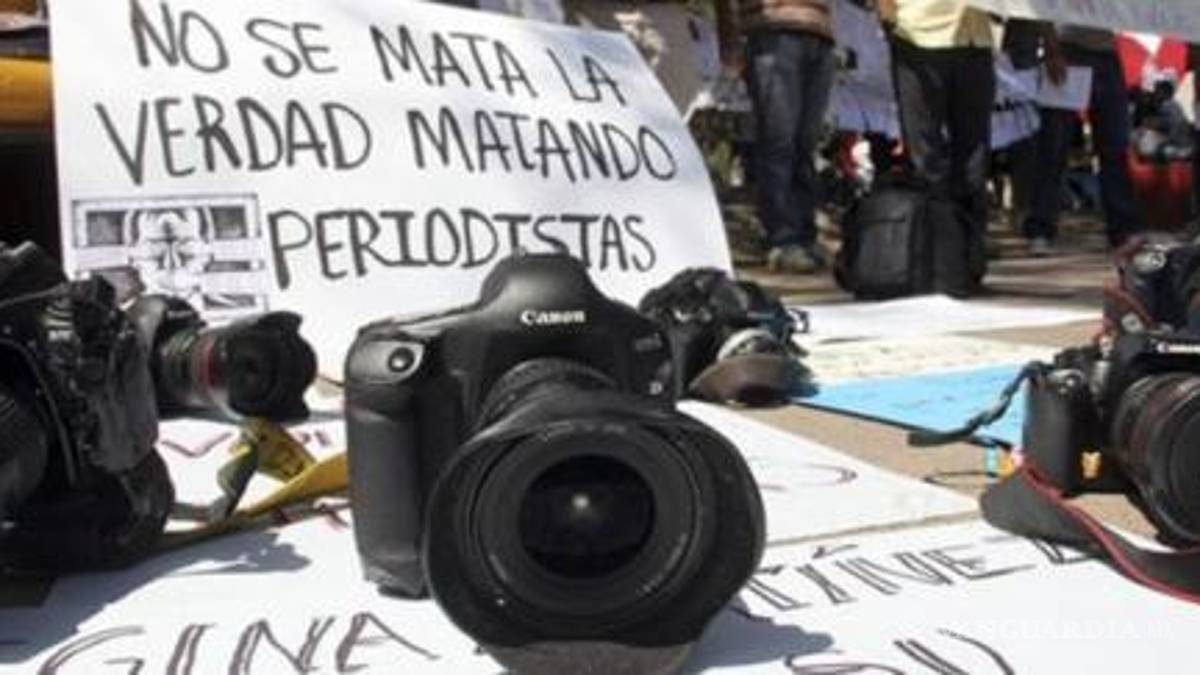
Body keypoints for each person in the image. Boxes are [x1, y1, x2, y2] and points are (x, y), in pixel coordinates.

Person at [878, 0, 994, 293]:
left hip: (974, 38)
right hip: (918, 33)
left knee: (974, 156)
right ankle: (933, 261)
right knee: (925, 156)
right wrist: (889, 15)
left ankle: (967, 261)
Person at [714, 0, 835, 274]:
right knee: (778, 141)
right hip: (772, 33)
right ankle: (782, 240)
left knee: (806, 144)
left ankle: (806, 236)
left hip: (820, 34)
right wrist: (730, 41)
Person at [1022, 26, 1142, 254]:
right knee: (1054, 147)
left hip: (1106, 52)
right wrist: (1052, 49)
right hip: (1067, 50)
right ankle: (1040, 228)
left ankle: (1122, 229)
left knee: (1114, 146)